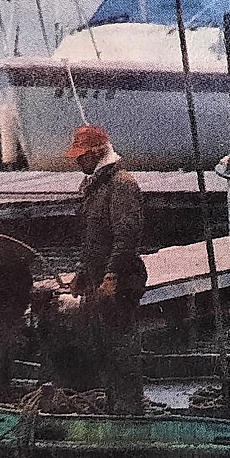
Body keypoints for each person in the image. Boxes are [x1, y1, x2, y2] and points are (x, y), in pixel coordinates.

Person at [66, 125, 148, 414]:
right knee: (104, 345)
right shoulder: (95, 185)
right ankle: (115, 404)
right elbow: (92, 237)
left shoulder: (121, 184)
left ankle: (128, 409)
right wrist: (82, 270)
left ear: (97, 153)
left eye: (82, 155)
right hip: (98, 278)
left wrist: (111, 276)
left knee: (121, 348)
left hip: (121, 281)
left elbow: (126, 236)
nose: (77, 161)